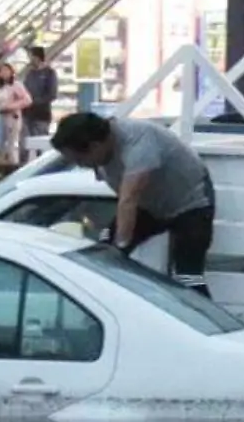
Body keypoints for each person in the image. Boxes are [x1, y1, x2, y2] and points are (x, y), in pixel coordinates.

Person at [51, 110, 215, 297]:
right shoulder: (101, 146)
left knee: (187, 275)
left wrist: (120, 248)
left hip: (191, 203)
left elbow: (129, 199)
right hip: (150, 204)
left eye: (80, 160)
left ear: (96, 146)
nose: (80, 165)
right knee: (102, 256)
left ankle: (206, 321)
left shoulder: (138, 143)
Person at [0, 63, 31, 164]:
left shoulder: (16, 85)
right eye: (2, 71)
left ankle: (13, 164)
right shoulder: (0, 86)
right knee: (0, 143)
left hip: (12, 117)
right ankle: (0, 163)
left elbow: (27, 100)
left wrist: (11, 106)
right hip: (1, 116)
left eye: (6, 70)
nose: (4, 73)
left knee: (12, 143)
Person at [22, 45, 59, 146]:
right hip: (26, 114)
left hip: (41, 115)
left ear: (37, 57)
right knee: (24, 144)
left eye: (30, 56)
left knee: (40, 144)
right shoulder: (29, 73)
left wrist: (34, 101)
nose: (29, 59)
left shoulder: (50, 73)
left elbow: (52, 94)